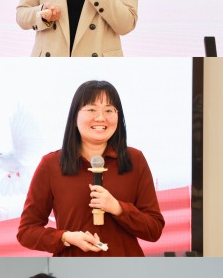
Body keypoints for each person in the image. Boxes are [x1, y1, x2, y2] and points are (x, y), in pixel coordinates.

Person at [17, 80, 164, 256]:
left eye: (109, 110)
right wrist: (65, 237)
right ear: (75, 116)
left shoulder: (135, 160)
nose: (101, 118)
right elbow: (26, 231)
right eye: (92, 110)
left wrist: (118, 208)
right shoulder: (51, 164)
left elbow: (154, 229)